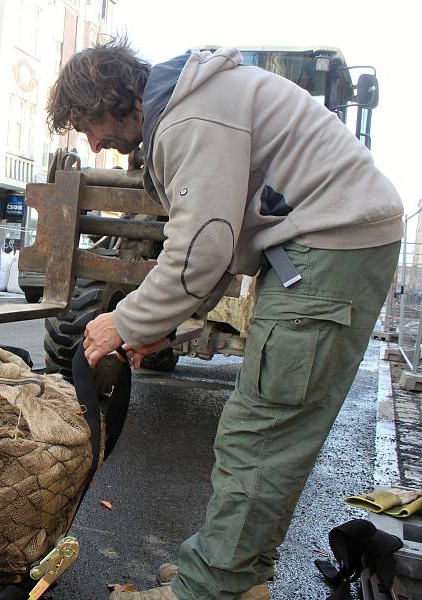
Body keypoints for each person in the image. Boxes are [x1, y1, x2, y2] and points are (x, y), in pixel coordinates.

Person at [47, 39, 403, 600]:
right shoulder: (195, 102)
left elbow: (202, 248)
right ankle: (234, 577)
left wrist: (127, 321)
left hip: (328, 250)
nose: (93, 142)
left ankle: (207, 590)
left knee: (260, 434)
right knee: (270, 433)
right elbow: (218, 239)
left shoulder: (192, 114)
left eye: (88, 124)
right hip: (328, 248)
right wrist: (159, 324)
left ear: (112, 98)